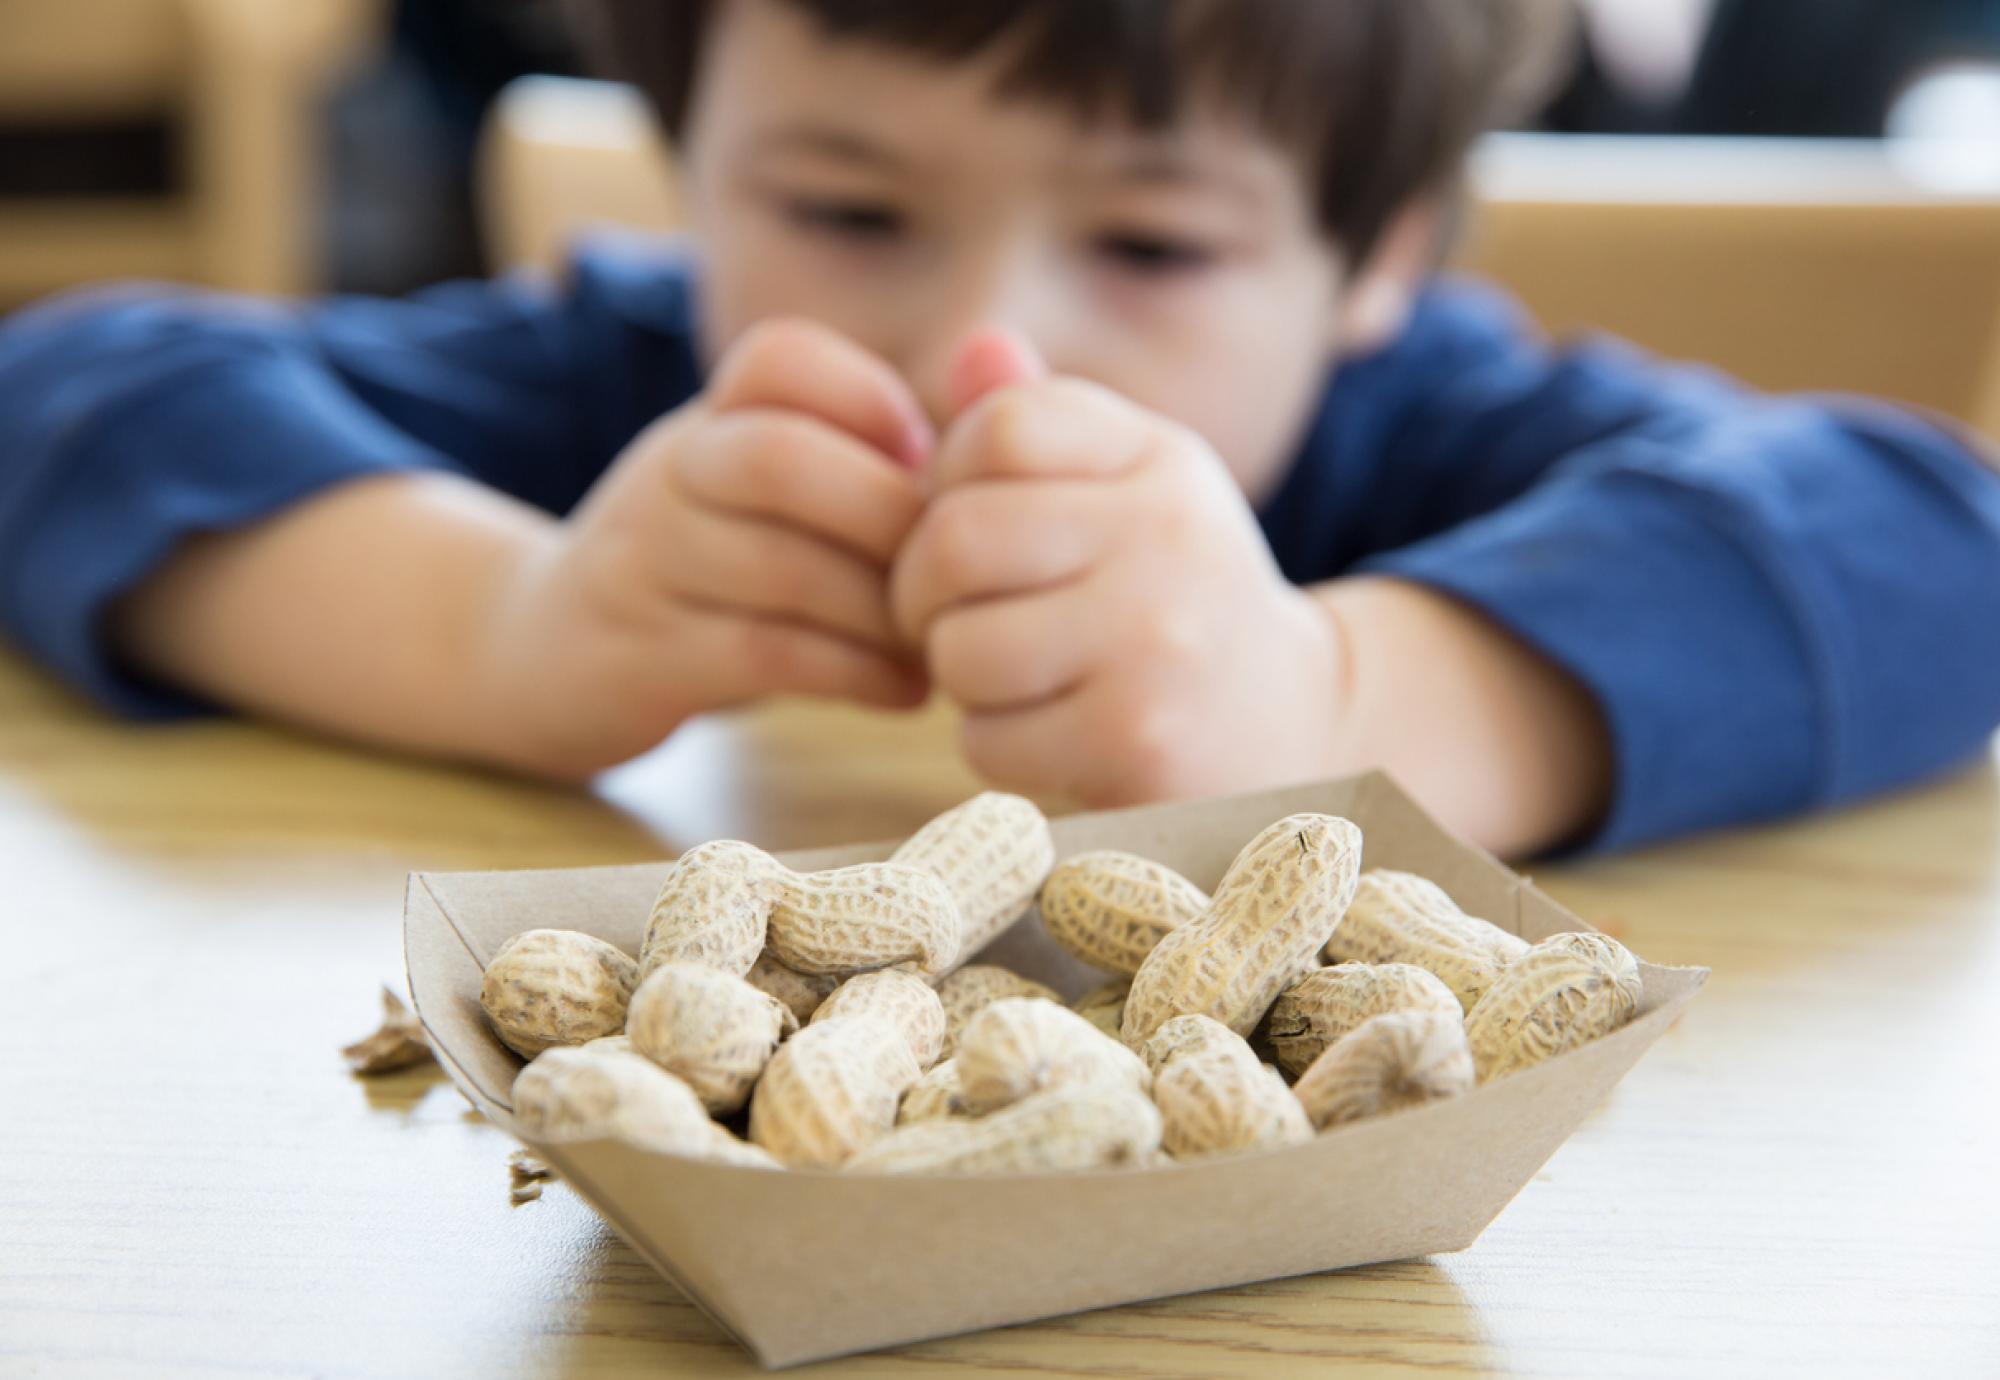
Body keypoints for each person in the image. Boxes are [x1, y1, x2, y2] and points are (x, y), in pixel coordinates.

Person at [1, 0, 1997, 860]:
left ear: (1375, 253)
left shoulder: (1425, 428)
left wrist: (1337, 700)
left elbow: (1929, 540)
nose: (978, 345)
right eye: (846, 211)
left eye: (1148, 238)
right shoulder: (638, 396)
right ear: (681, 164)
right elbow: (69, 394)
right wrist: (501, 630)